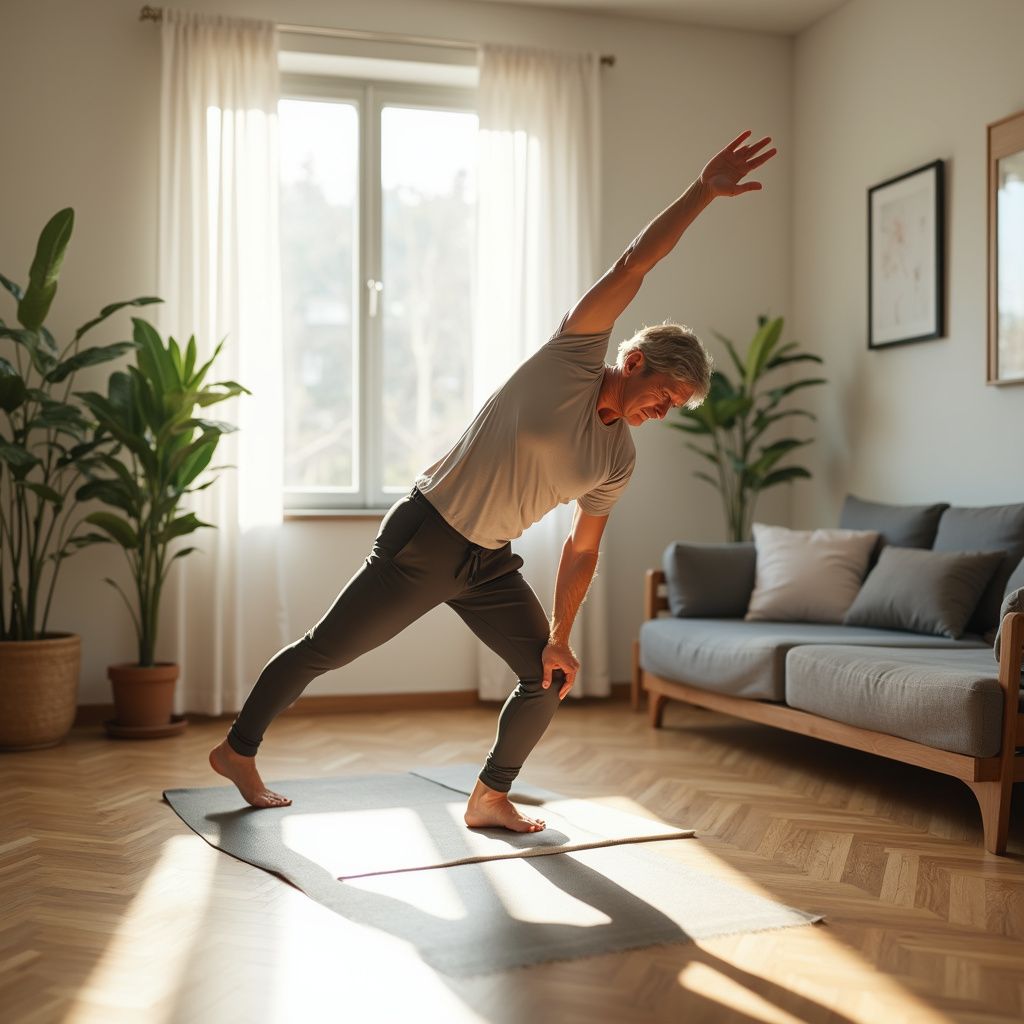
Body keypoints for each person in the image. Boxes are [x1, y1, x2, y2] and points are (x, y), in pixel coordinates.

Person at [209, 129, 777, 832]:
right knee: (321, 652)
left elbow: (581, 549)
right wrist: (701, 193)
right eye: (666, 394)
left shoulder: (618, 458)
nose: (665, 412)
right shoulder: (570, 358)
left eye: (677, 408)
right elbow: (637, 263)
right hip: (427, 534)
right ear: (635, 362)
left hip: (487, 564)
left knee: (549, 674)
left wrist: (563, 633)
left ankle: (490, 796)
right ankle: (238, 750)